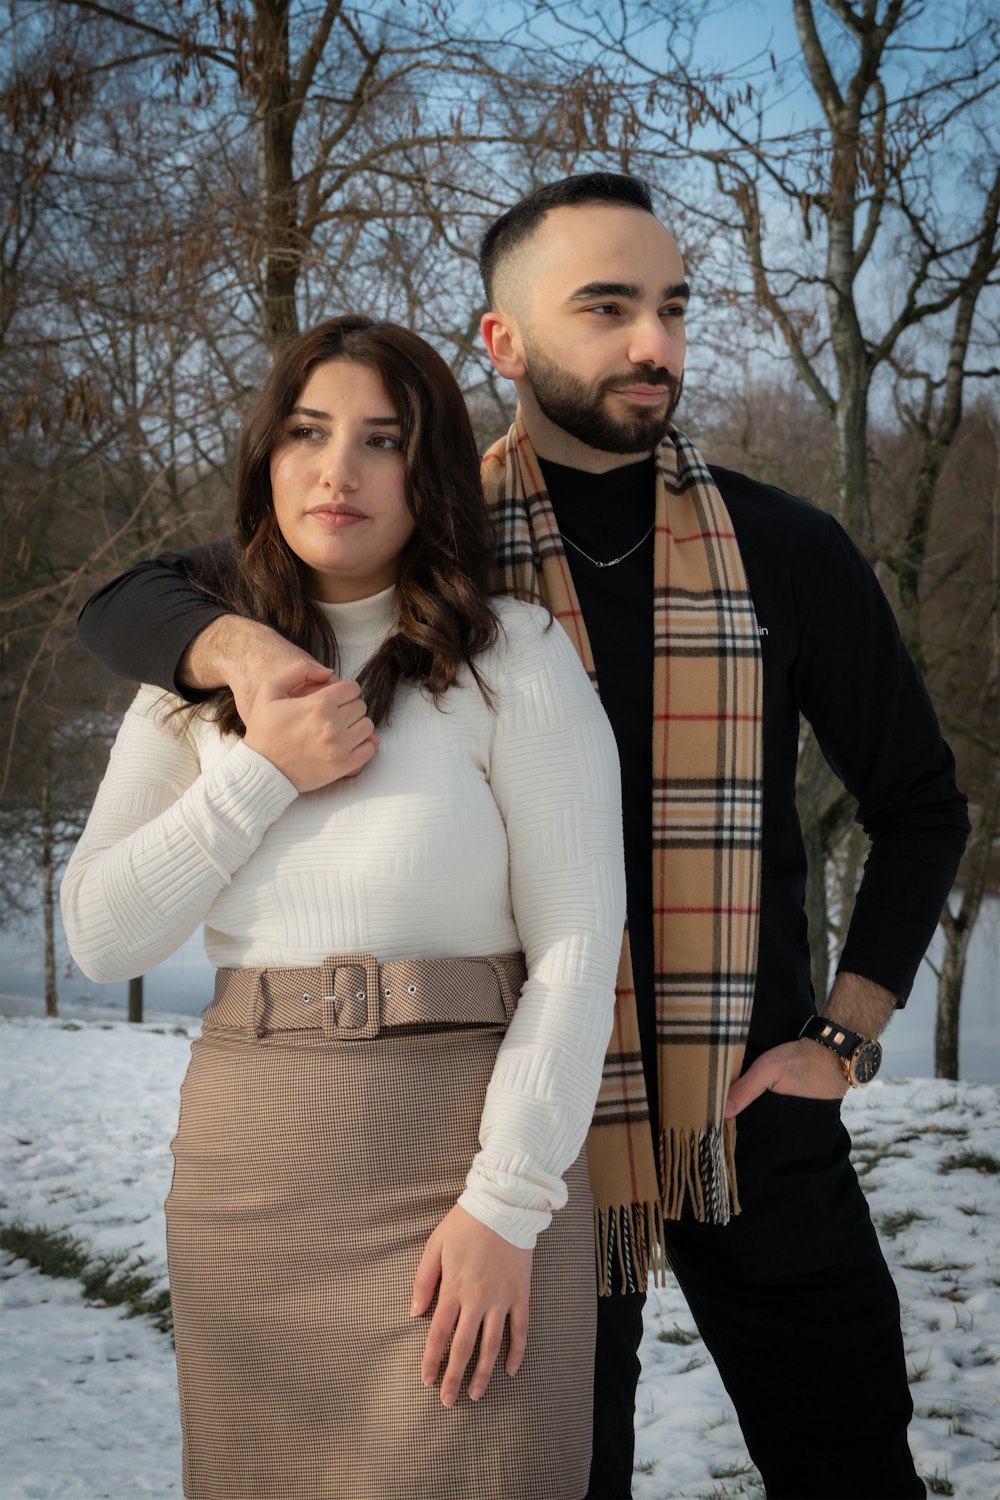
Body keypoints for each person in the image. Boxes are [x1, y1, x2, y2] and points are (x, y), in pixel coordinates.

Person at [75, 177, 971, 1500]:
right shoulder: (427, 532)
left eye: (671, 307)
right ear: (503, 343)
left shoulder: (781, 548)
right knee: (557, 1469)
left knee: (848, 1460)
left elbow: (921, 804)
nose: (652, 342)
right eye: (606, 308)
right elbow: (129, 601)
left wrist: (840, 1033)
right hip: (533, 1110)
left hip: (742, 1107)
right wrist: (237, 654)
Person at [62, 314, 627, 1500]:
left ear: (428, 477)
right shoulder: (195, 688)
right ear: (267, 456)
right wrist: (265, 767)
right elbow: (104, 934)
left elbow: (578, 951)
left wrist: (506, 1207)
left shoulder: (512, 656)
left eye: (383, 441)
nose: (339, 470)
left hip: (463, 1170)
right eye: (310, 433)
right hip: (252, 1177)